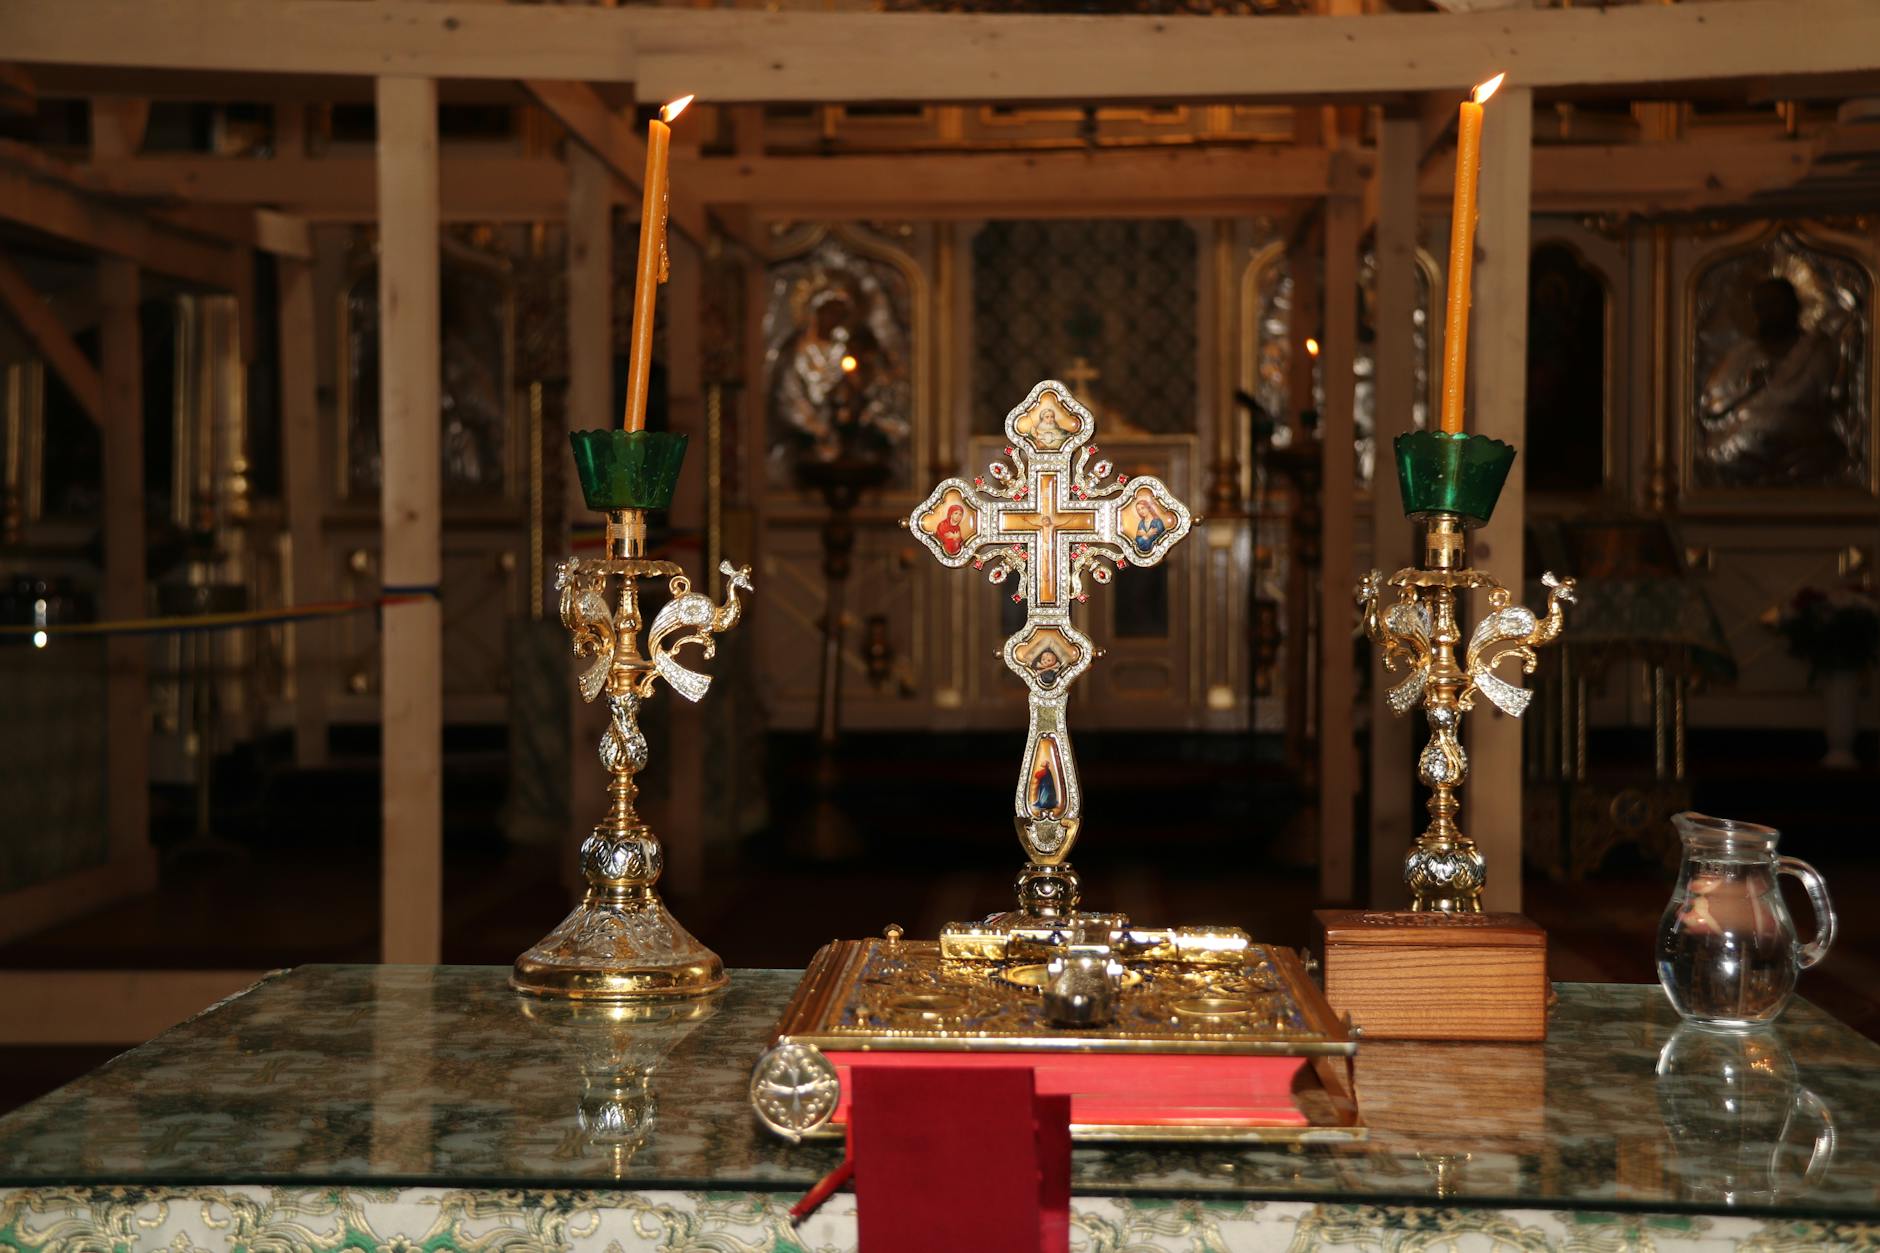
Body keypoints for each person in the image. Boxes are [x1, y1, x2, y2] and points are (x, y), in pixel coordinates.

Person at [1697, 276, 1854, 488]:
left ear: (1794, 306)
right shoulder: (1740, 356)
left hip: (1805, 450)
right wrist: (1747, 387)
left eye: (1776, 304)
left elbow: (1830, 401)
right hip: (1741, 454)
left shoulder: (1817, 351)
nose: (1770, 312)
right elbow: (1712, 407)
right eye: (1762, 306)